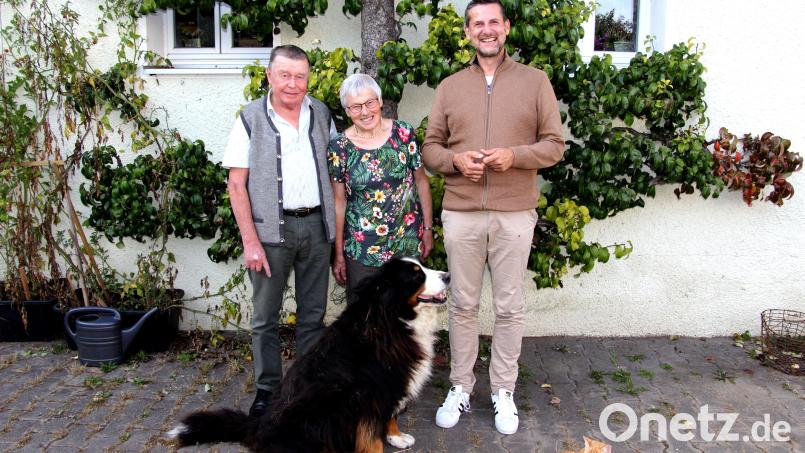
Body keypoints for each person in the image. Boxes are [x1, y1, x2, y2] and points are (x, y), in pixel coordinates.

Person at [422, 0, 565, 435]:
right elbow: (430, 149)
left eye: (493, 22)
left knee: (509, 307)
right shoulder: (449, 87)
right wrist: (454, 162)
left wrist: (514, 156)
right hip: (462, 213)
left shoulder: (535, 82)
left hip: (514, 212)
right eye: (477, 23)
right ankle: (461, 387)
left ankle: (503, 390)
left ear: (506, 28)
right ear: (467, 32)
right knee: (462, 304)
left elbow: (555, 146)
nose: (486, 30)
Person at [222, 44, 337, 417]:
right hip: (271, 232)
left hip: (317, 227)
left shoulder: (321, 113)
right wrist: (250, 241)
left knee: (312, 317)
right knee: (265, 319)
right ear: (270, 76)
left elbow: (337, 173)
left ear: (308, 78)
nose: (292, 84)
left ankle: (306, 390)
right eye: (284, 75)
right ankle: (267, 391)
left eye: (300, 76)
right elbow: (236, 184)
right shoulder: (251, 117)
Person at [327, 74, 434, 302]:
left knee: (405, 313)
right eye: (356, 107)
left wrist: (427, 229)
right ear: (347, 111)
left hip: (406, 241)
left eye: (370, 102)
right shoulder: (339, 147)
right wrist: (338, 252)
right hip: (361, 248)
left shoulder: (403, 133)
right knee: (364, 315)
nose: (365, 112)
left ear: (380, 101)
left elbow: (421, 182)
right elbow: (339, 202)